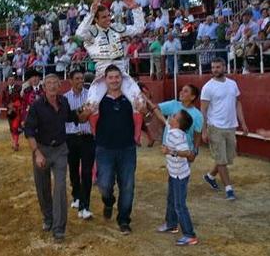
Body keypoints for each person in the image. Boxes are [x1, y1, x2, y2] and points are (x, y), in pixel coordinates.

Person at [24, 74, 91, 241]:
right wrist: (37, 153)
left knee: (60, 187)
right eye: (49, 83)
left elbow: (74, 117)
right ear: (44, 87)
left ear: (60, 86)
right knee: (43, 188)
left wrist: (86, 112)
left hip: (61, 150)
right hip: (42, 150)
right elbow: (29, 132)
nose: (52, 86)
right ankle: (48, 218)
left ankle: (59, 228)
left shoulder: (64, 102)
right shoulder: (37, 106)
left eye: (55, 83)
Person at [75, 0, 145, 141]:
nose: (108, 19)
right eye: (104, 17)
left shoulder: (116, 28)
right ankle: (96, 136)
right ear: (96, 19)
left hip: (120, 71)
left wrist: (135, 8)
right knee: (91, 106)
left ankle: (136, 137)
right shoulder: (91, 32)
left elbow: (139, 28)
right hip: (102, 72)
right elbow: (79, 34)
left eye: (109, 16)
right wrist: (90, 13)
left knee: (139, 102)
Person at [95, 65, 138, 235]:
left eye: (117, 77)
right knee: (104, 185)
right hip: (104, 149)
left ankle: (124, 220)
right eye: (110, 77)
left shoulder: (131, 99)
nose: (114, 80)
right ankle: (108, 201)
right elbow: (86, 117)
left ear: (122, 79)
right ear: (105, 80)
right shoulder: (98, 100)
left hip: (127, 148)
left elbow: (142, 113)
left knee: (127, 186)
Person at [149, 107, 198, 246]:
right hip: (173, 173)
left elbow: (187, 152)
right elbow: (161, 117)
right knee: (171, 199)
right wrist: (149, 104)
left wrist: (171, 151)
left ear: (177, 123)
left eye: (174, 116)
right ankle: (171, 224)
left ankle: (190, 235)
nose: (171, 115)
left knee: (179, 205)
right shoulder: (171, 128)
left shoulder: (178, 134)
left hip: (179, 176)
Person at [201, 57, 248, 200]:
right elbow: (203, 110)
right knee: (221, 160)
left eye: (218, 67)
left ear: (224, 67)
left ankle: (210, 176)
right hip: (215, 126)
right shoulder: (208, 87)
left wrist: (243, 123)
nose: (215, 70)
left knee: (226, 158)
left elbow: (237, 104)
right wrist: (204, 130)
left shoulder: (232, 84)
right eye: (213, 67)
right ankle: (229, 189)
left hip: (231, 125)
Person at [63, 70, 95, 220]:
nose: (80, 81)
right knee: (74, 170)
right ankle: (76, 195)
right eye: (77, 78)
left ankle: (85, 205)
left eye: (81, 78)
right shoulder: (65, 98)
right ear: (70, 81)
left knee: (87, 172)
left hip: (87, 137)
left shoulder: (90, 95)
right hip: (71, 138)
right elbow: (67, 119)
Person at [2, 74, 23, 151]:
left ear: (14, 80)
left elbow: (21, 98)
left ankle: (15, 143)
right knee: (11, 127)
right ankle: (15, 142)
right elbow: (3, 100)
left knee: (15, 127)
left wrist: (14, 104)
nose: (11, 81)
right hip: (9, 111)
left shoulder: (19, 88)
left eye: (12, 79)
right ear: (7, 81)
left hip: (17, 110)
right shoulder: (5, 89)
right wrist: (8, 105)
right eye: (9, 80)